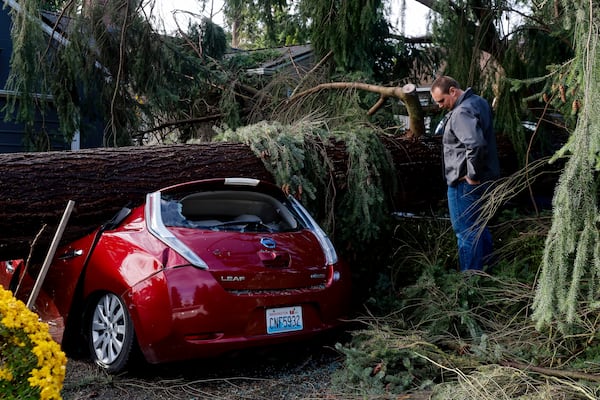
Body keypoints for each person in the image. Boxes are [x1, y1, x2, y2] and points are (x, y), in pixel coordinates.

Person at [430, 76, 500, 271]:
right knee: (478, 227)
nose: (440, 106)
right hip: (484, 180)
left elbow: (476, 144)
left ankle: (469, 285)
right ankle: (489, 271)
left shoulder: (461, 112)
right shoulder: (479, 102)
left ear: (453, 91)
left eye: (442, 101)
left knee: (466, 233)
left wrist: (473, 175)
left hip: (465, 184)